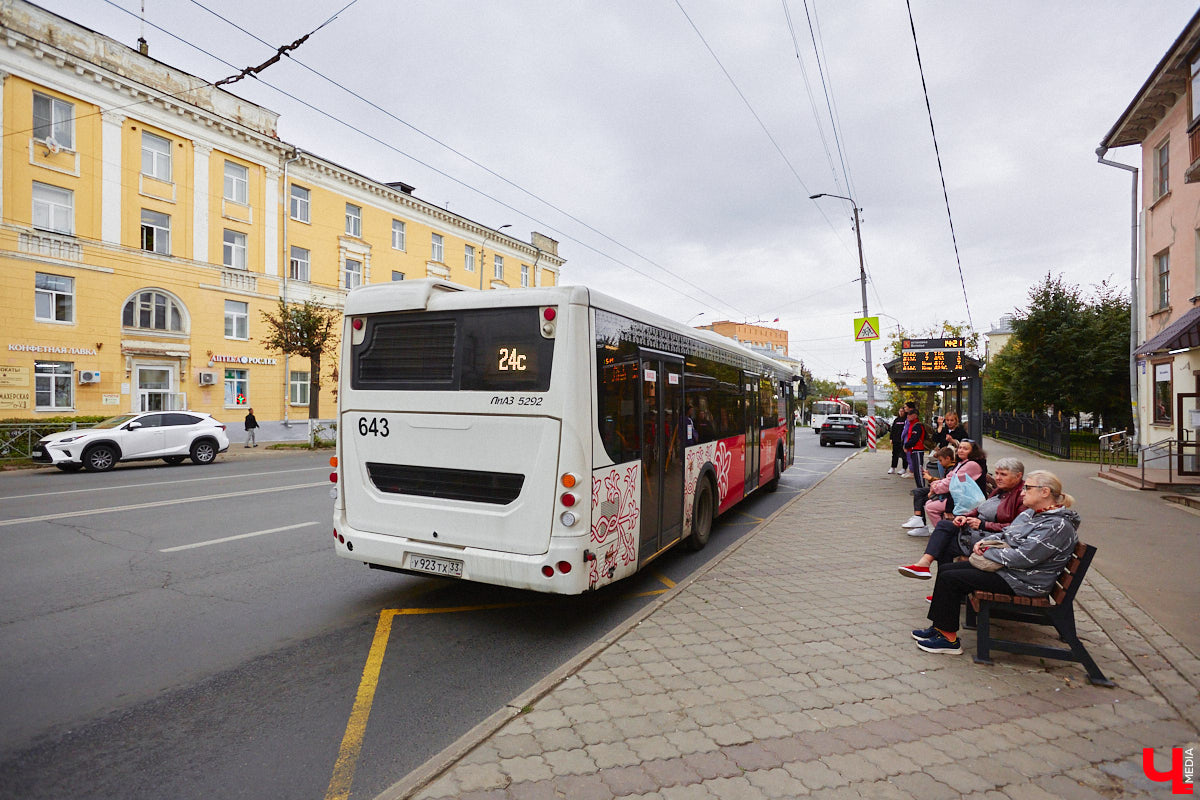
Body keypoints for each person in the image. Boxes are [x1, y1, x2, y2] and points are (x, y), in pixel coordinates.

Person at [910, 470, 1079, 655]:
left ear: (1045, 492)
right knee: (947, 570)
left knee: (952, 579)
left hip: (1024, 581)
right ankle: (939, 628)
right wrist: (985, 542)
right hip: (1010, 571)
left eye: (1028, 488)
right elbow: (1007, 534)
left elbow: (1023, 558)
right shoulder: (1033, 513)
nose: (1023, 493)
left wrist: (988, 551)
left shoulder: (1057, 525)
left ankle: (949, 641)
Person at [898, 457, 1026, 578]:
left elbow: (1017, 528)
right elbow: (980, 508)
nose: (998, 478)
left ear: (1018, 475)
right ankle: (930, 571)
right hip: (977, 531)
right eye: (997, 473)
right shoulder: (1001, 490)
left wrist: (983, 524)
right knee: (944, 531)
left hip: (992, 538)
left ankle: (930, 571)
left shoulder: (1022, 496)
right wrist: (964, 516)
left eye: (1003, 474)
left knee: (944, 541)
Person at [901, 446, 956, 530]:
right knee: (918, 493)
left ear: (948, 458)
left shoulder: (951, 469)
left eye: (941, 460)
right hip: (942, 492)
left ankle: (922, 521)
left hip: (946, 495)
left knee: (921, 497)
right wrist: (931, 479)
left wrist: (931, 479)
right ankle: (919, 519)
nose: (940, 463)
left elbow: (945, 485)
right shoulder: (949, 468)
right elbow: (943, 482)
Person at [902, 407, 927, 488]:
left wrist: (906, 445)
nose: (908, 416)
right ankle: (919, 487)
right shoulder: (912, 425)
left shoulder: (917, 426)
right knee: (916, 471)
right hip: (914, 450)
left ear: (915, 415)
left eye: (910, 414)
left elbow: (914, 439)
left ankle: (921, 487)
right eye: (907, 414)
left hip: (918, 450)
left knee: (918, 470)